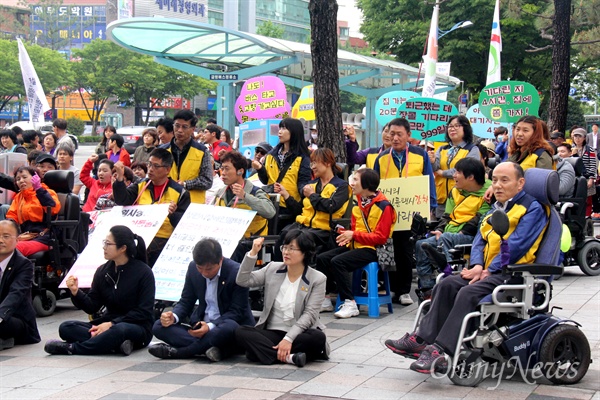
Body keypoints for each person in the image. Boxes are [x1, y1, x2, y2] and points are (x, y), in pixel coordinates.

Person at [385, 162, 548, 374]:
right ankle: (422, 340)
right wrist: (478, 265)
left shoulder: (532, 209)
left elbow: (518, 245)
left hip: (513, 273)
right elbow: (479, 239)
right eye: (495, 180)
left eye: (504, 180)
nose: (497, 185)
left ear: (520, 184)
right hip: (487, 271)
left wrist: (490, 269)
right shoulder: (496, 207)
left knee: (467, 292)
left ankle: (442, 352)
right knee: (446, 284)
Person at [44, 225, 154, 356]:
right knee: (66, 327)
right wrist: (76, 292)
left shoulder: (144, 272)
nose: (104, 247)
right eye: (104, 243)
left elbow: (143, 312)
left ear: (123, 248)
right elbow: (92, 306)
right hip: (107, 323)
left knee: (119, 330)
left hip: (136, 326)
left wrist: (112, 324)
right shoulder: (103, 271)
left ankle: (73, 348)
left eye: (108, 244)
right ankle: (116, 345)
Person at [149, 238, 255, 360]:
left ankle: (180, 352)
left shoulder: (237, 272)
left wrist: (210, 326)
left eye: (209, 269)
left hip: (226, 325)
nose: (204, 273)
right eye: (200, 268)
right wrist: (173, 316)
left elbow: (236, 312)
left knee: (228, 327)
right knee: (158, 326)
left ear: (220, 260)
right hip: (199, 326)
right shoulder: (193, 268)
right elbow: (186, 301)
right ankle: (215, 349)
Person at [236, 232, 329, 367]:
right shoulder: (272, 268)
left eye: (292, 248)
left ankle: (266, 353)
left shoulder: (318, 279)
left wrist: (288, 339)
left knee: (317, 337)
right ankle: (290, 358)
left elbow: (309, 315)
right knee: (241, 332)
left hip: (299, 334)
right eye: (284, 247)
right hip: (273, 331)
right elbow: (243, 280)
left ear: (305, 252)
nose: (286, 252)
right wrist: (252, 253)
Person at [316, 168, 396, 318]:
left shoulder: (384, 207)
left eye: (355, 180)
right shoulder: (357, 205)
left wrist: (353, 235)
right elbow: (355, 230)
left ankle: (350, 303)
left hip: (376, 250)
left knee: (338, 262)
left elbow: (381, 238)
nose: (351, 183)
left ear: (366, 184)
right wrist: (345, 235)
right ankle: (325, 299)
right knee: (322, 258)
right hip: (357, 246)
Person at [373, 117, 437, 306]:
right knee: (388, 249)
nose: (395, 138)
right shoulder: (382, 158)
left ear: (408, 135)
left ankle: (404, 290)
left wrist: (430, 206)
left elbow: (428, 180)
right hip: (387, 212)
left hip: (411, 212)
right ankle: (392, 288)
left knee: (406, 250)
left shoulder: (420, 155)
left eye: (399, 134)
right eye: (391, 133)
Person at [413, 158, 491, 300]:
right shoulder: (455, 191)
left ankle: (450, 277)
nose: (454, 176)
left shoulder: (488, 193)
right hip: (448, 233)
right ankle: (428, 290)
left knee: (446, 238)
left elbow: (479, 220)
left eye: (457, 172)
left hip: (470, 236)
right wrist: (440, 230)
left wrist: (454, 234)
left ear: (471, 177)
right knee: (421, 245)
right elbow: (447, 215)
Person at [112, 148, 191, 267]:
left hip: (163, 239)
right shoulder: (141, 185)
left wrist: (173, 214)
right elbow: (122, 200)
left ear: (167, 170)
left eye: (156, 166)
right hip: (140, 234)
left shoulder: (180, 192)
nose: (150, 169)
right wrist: (119, 179)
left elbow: (184, 225)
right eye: (149, 164)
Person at [274, 148, 351, 261]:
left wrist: (312, 195)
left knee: (300, 240)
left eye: (315, 162)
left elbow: (330, 206)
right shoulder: (312, 184)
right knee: (284, 234)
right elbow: (301, 209)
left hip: (323, 230)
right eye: (311, 163)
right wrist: (286, 195)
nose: (312, 167)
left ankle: (298, 272)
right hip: (303, 226)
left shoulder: (342, 186)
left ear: (328, 163)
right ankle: (279, 271)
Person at [212, 151, 276, 262]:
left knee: (228, 252)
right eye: (222, 168)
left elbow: (270, 211)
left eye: (227, 168)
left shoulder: (255, 192)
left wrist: (245, 196)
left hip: (248, 244)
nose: (222, 173)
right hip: (224, 239)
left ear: (240, 171)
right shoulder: (220, 193)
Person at [254, 118, 311, 215]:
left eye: (284, 128)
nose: (280, 132)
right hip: (270, 204)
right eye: (280, 128)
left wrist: (303, 190)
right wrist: (260, 169)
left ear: (294, 132)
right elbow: (266, 180)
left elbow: (303, 184)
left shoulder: (303, 158)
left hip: (290, 206)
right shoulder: (271, 155)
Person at [0, 220, 41, 350]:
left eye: (6, 236)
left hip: (14, 318)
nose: (1, 240)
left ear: (17, 240)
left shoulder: (24, 265)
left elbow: (16, 293)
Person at [432, 116, 481, 219]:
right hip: (441, 198)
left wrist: (442, 173)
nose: (452, 129)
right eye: (450, 126)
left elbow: (466, 170)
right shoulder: (442, 148)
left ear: (465, 128)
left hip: (461, 197)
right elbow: (435, 167)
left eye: (456, 126)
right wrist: (431, 161)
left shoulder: (472, 149)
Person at [6, 166, 61, 256]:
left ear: (35, 178)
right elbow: (12, 216)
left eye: (24, 177)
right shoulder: (19, 197)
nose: (21, 181)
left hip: (44, 236)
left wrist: (39, 189)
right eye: (18, 179)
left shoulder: (48, 192)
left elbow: (53, 209)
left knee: (12, 248)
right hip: (25, 235)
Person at [164, 110, 212, 204]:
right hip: (167, 203)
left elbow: (207, 181)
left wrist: (186, 184)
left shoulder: (202, 151)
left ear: (193, 129)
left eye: (184, 127)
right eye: (177, 126)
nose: (180, 130)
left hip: (192, 205)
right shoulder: (162, 150)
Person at [571, 128, 597, 216]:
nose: (577, 139)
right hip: (573, 178)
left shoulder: (590, 150)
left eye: (580, 136)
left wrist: (591, 178)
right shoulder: (569, 148)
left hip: (586, 177)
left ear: (584, 138)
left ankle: (587, 217)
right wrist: (572, 154)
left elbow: (593, 164)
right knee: (575, 198)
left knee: (587, 199)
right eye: (575, 136)